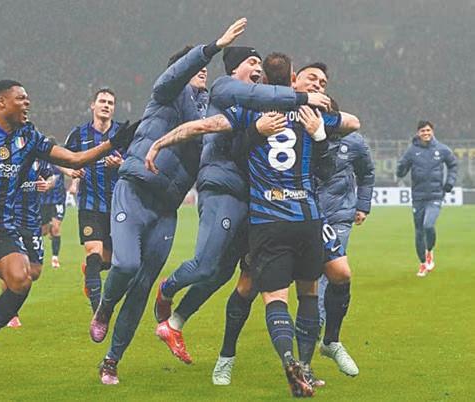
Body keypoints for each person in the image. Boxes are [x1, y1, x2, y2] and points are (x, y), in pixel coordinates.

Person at [146, 55, 359, 397]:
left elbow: (202, 127)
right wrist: (320, 126)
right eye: (311, 79)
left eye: (322, 83)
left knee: (276, 291)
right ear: (293, 79)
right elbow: (352, 123)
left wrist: (159, 141)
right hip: (300, 216)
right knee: (276, 289)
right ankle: (233, 357)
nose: (318, 85)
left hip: (269, 218)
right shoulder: (309, 113)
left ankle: (300, 358)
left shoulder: (253, 111)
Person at [0, 79, 134, 392]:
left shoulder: (29, 136)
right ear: (1, 102)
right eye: (21, 98)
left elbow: (74, 159)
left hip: (3, 226)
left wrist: (111, 143)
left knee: (22, 280)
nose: (27, 103)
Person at [89, 18, 248, 385]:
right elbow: (175, 75)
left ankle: (112, 360)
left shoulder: (208, 112)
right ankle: (105, 306)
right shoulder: (165, 94)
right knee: (126, 265)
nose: (204, 72)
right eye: (197, 68)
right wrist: (213, 47)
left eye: (206, 69)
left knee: (143, 286)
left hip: (166, 208)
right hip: (135, 189)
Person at [315, 102, 374, 376]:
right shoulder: (306, 136)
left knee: (330, 272)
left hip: (340, 215)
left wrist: (362, 206)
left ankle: (318, 327)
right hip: (308, 214)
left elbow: (367, 173)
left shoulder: (355, 142)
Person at [64, 87, 126, 315]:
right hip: (89, 204)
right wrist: (70, 171)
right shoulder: (78, 134)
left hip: (117, 205)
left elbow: (136, 160)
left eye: (110, 103)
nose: (106, 105)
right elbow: (60, 158)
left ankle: (91, 272)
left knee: (109, 262)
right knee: (93, 253)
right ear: (93, 105)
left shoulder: (122, 133)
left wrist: (121, 164)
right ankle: (98, 313)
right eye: (102, 101)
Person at [396, 120, 458, 277]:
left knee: (428, 225)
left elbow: (453, 165)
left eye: (428, 130)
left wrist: (449, 182)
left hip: (435, 195)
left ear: (432, 131)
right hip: (418, 197)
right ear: (418, 133)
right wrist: (400, 169)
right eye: (423, 131)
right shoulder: (412, 151)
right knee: (418, 232)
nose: (426, 133)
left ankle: (429, 251)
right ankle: (423, 263)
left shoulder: (442, 149)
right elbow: (401, 171)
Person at [5, 157, 55, 328]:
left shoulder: (39, 158)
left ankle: (9, 306)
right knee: (13, 269)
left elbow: (51, 176)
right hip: (10, 221)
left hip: (33, 222)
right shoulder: (9, 157)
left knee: (34, 272)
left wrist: (48, 184)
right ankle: (10, 313)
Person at [40, 138, 68, 269]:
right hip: (43, 201)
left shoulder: (60, 162)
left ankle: (55, 258)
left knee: (56, 228)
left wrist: (74, 184)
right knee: (44, 231)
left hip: (58, 199)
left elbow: (71, 170)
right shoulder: (41, 163)